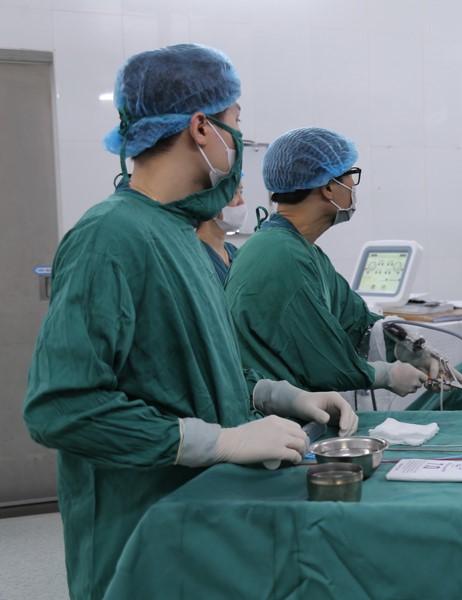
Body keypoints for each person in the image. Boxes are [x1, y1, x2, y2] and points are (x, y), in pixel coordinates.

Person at [22, 45, 358, 600]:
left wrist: (281, 395)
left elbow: (192, 367)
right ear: (202, 128)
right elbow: (62, 408)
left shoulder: (183, 235)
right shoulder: (110, 236)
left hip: (198, 523)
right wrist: (218, 441)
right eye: (236, 124)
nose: (240, 144)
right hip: (140, 535)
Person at [225, 127, 439, 399]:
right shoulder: (285, 256)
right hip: (274, 416)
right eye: (350, 175)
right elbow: (323, 360)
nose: (353, 186)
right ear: (328, 187)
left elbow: (355, 321)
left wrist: (408, 346)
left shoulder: (302, 250)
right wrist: (386, 374)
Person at [196, 181, 247, 283]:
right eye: (233, 193)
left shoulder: (233, 252)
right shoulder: (195, 256)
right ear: (210, 199)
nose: (242, 202)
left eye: (241, 192)